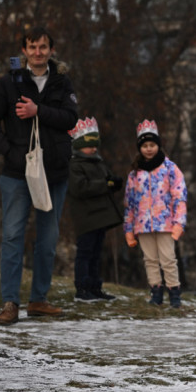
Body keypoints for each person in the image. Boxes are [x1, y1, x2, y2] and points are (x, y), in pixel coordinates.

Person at [0, 26, 78, 326]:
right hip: (16, 174)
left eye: (43, 47)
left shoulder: (62, 83)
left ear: (51, 50)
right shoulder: (9, 83)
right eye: (32, 47)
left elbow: (70, 119)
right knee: (12, 237)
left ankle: (38, 300)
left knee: (47, 240)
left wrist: (39, 110)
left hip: (54, 173)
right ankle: (10, 303)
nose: (38, 52)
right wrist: (11, 153)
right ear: (24, 51)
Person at [123, 120, 187, 308]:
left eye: (152, 145)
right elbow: (130, 203)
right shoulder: (135, 173)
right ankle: (156, 291)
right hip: (143, 224)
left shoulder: (169, 168)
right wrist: (128, 229)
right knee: (150, 259)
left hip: (166, 223)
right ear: (140, 148)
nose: (149, 149)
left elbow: (179, 195)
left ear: (158, 146)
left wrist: (179, 223)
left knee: (168, 259)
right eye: (145, 146)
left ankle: (174, 291)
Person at [66, 117, 123, 302]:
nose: (93, 149)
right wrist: (106, 184)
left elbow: (105, 182)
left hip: (100, 217)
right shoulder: (75, 165)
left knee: (97, 254)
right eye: (89, 145)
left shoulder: (97, 162)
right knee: (85, 253)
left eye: (95, 145)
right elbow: (80, 188)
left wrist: (114, 183)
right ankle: (82, 288)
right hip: (87, 218)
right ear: (79, 145)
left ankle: (95, 287)